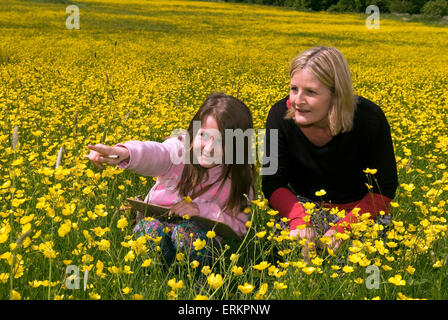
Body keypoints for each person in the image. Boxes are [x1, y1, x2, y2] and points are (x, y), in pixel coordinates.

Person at [87, 92, 256, 267]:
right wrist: (126, 153)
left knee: (186, 233)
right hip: (158, 230)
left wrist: (202, 211)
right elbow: (156, 153)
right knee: (149, 230)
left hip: (198, 250)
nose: (209, 147)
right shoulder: (178, 151)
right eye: (204, 135)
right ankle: (153, 275)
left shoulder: (238, 179)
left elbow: (240, 227)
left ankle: (197, 285)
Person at [262, 46, 398, 255]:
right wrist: (299, 220)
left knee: (355, 270)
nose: (297, 101)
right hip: (302, 209)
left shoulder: (369, 119)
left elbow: (384, 188)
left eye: (311, 92)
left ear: (336, 95)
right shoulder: (279, 115)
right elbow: (272, 181)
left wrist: (344, 228)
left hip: (359, 212)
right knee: (286, 255)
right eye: (294, 89)